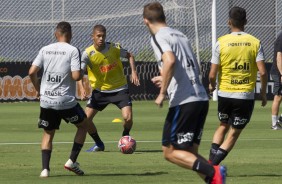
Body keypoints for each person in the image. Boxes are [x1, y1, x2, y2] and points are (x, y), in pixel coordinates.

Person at [143, 2, 226, 184]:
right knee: (190, 153)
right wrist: (164, 76)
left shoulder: (158, 36)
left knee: (169, 151)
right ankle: (215, 179)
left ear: (146, 21)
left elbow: (170, 61)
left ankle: (213, 171)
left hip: (184, 100)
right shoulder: (181, 35)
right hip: (200, 97)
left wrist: (162, 92)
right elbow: (191, 65)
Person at [208, 6, 267, 166]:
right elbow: (262, 72)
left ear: (229, 22)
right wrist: (262, 93)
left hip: (224, 94)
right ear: (246, 22)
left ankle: (209, 164)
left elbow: (212, 74)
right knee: (233, 134)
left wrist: (212, 86)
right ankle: (212, 167)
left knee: (222, 126)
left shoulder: (220, 42)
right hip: (244, 96)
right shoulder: (255, 42)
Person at [29, 21, 88, 177]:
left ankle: (45, 170)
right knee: (84, 126)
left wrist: (38, 90)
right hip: (65, 101)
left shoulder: (45, 49)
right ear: (70, 34)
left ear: (56, 34)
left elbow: (31, 71)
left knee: (48, 133)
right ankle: (71, 161)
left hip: (47, 100)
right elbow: (76, 76)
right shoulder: (73, 50)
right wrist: (82, 70)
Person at [78, 24, 140, 152]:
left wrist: (133, 71)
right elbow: (79, 73)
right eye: (98, 36)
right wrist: (82, 87)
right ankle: (99, 143)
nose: (101, 38)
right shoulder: (87, 54)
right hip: (100, 92)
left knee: (128, 118)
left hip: (120, 89)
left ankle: (125, 138)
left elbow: (130, 55)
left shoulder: (114, 47)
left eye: (103, 36)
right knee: (85, 119)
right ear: (92, 37)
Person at [270, 32, 282, 130]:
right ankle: (274, 124)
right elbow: (279, 57)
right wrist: (281, 73)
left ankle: (280, 119)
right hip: (278, 72)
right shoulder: (281, 37)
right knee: (278, 97)